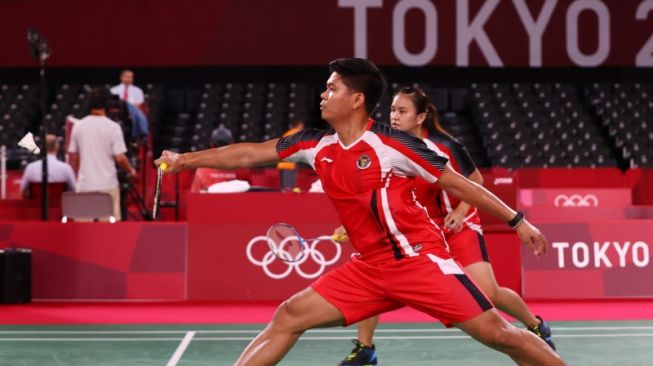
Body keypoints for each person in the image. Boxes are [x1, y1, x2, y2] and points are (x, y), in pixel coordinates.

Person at [155, 58, 566, 366]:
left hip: (418, 261)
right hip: (369, 268)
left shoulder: (394, 145)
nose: (323, 94)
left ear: (356, 99)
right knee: (288, 315)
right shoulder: (313, 144)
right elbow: (249, 151)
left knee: (500, 335)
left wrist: (517, 220)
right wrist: (186, 160)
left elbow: (460, 184)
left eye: (331, 88)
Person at [337, 86, 556, 366]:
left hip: (458, 225)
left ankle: (535, 325)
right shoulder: (386, 148)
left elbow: (476, 180)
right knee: (377, 275)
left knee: (488, 293)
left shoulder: (445, 145)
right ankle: (365, 348)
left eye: (402, 111)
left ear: (421, 117)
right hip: (420, 231)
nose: (394, 116)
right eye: (392, 110)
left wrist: (462, 212)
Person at [68, 88, 137, 221]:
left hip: (85, 185)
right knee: (108, 235)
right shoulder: (113, 127)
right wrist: (131, 170)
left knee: (84, 233)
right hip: (108, 186)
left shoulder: (78, 126)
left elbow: (75, 157)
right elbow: (120, 157)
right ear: (107, 105)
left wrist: (82, 174)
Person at [190, 125, 250, 192]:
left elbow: (195, 197)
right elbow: (249, 194)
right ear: (232, 144)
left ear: (212, 144)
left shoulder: (202, 169)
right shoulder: (242, 166)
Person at [276, 119, 304, 190]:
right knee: (288, 189)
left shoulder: (287, 133)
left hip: (283, 163)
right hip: (288, 164)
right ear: (299, 125)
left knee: (285, 188)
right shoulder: (296, 132)